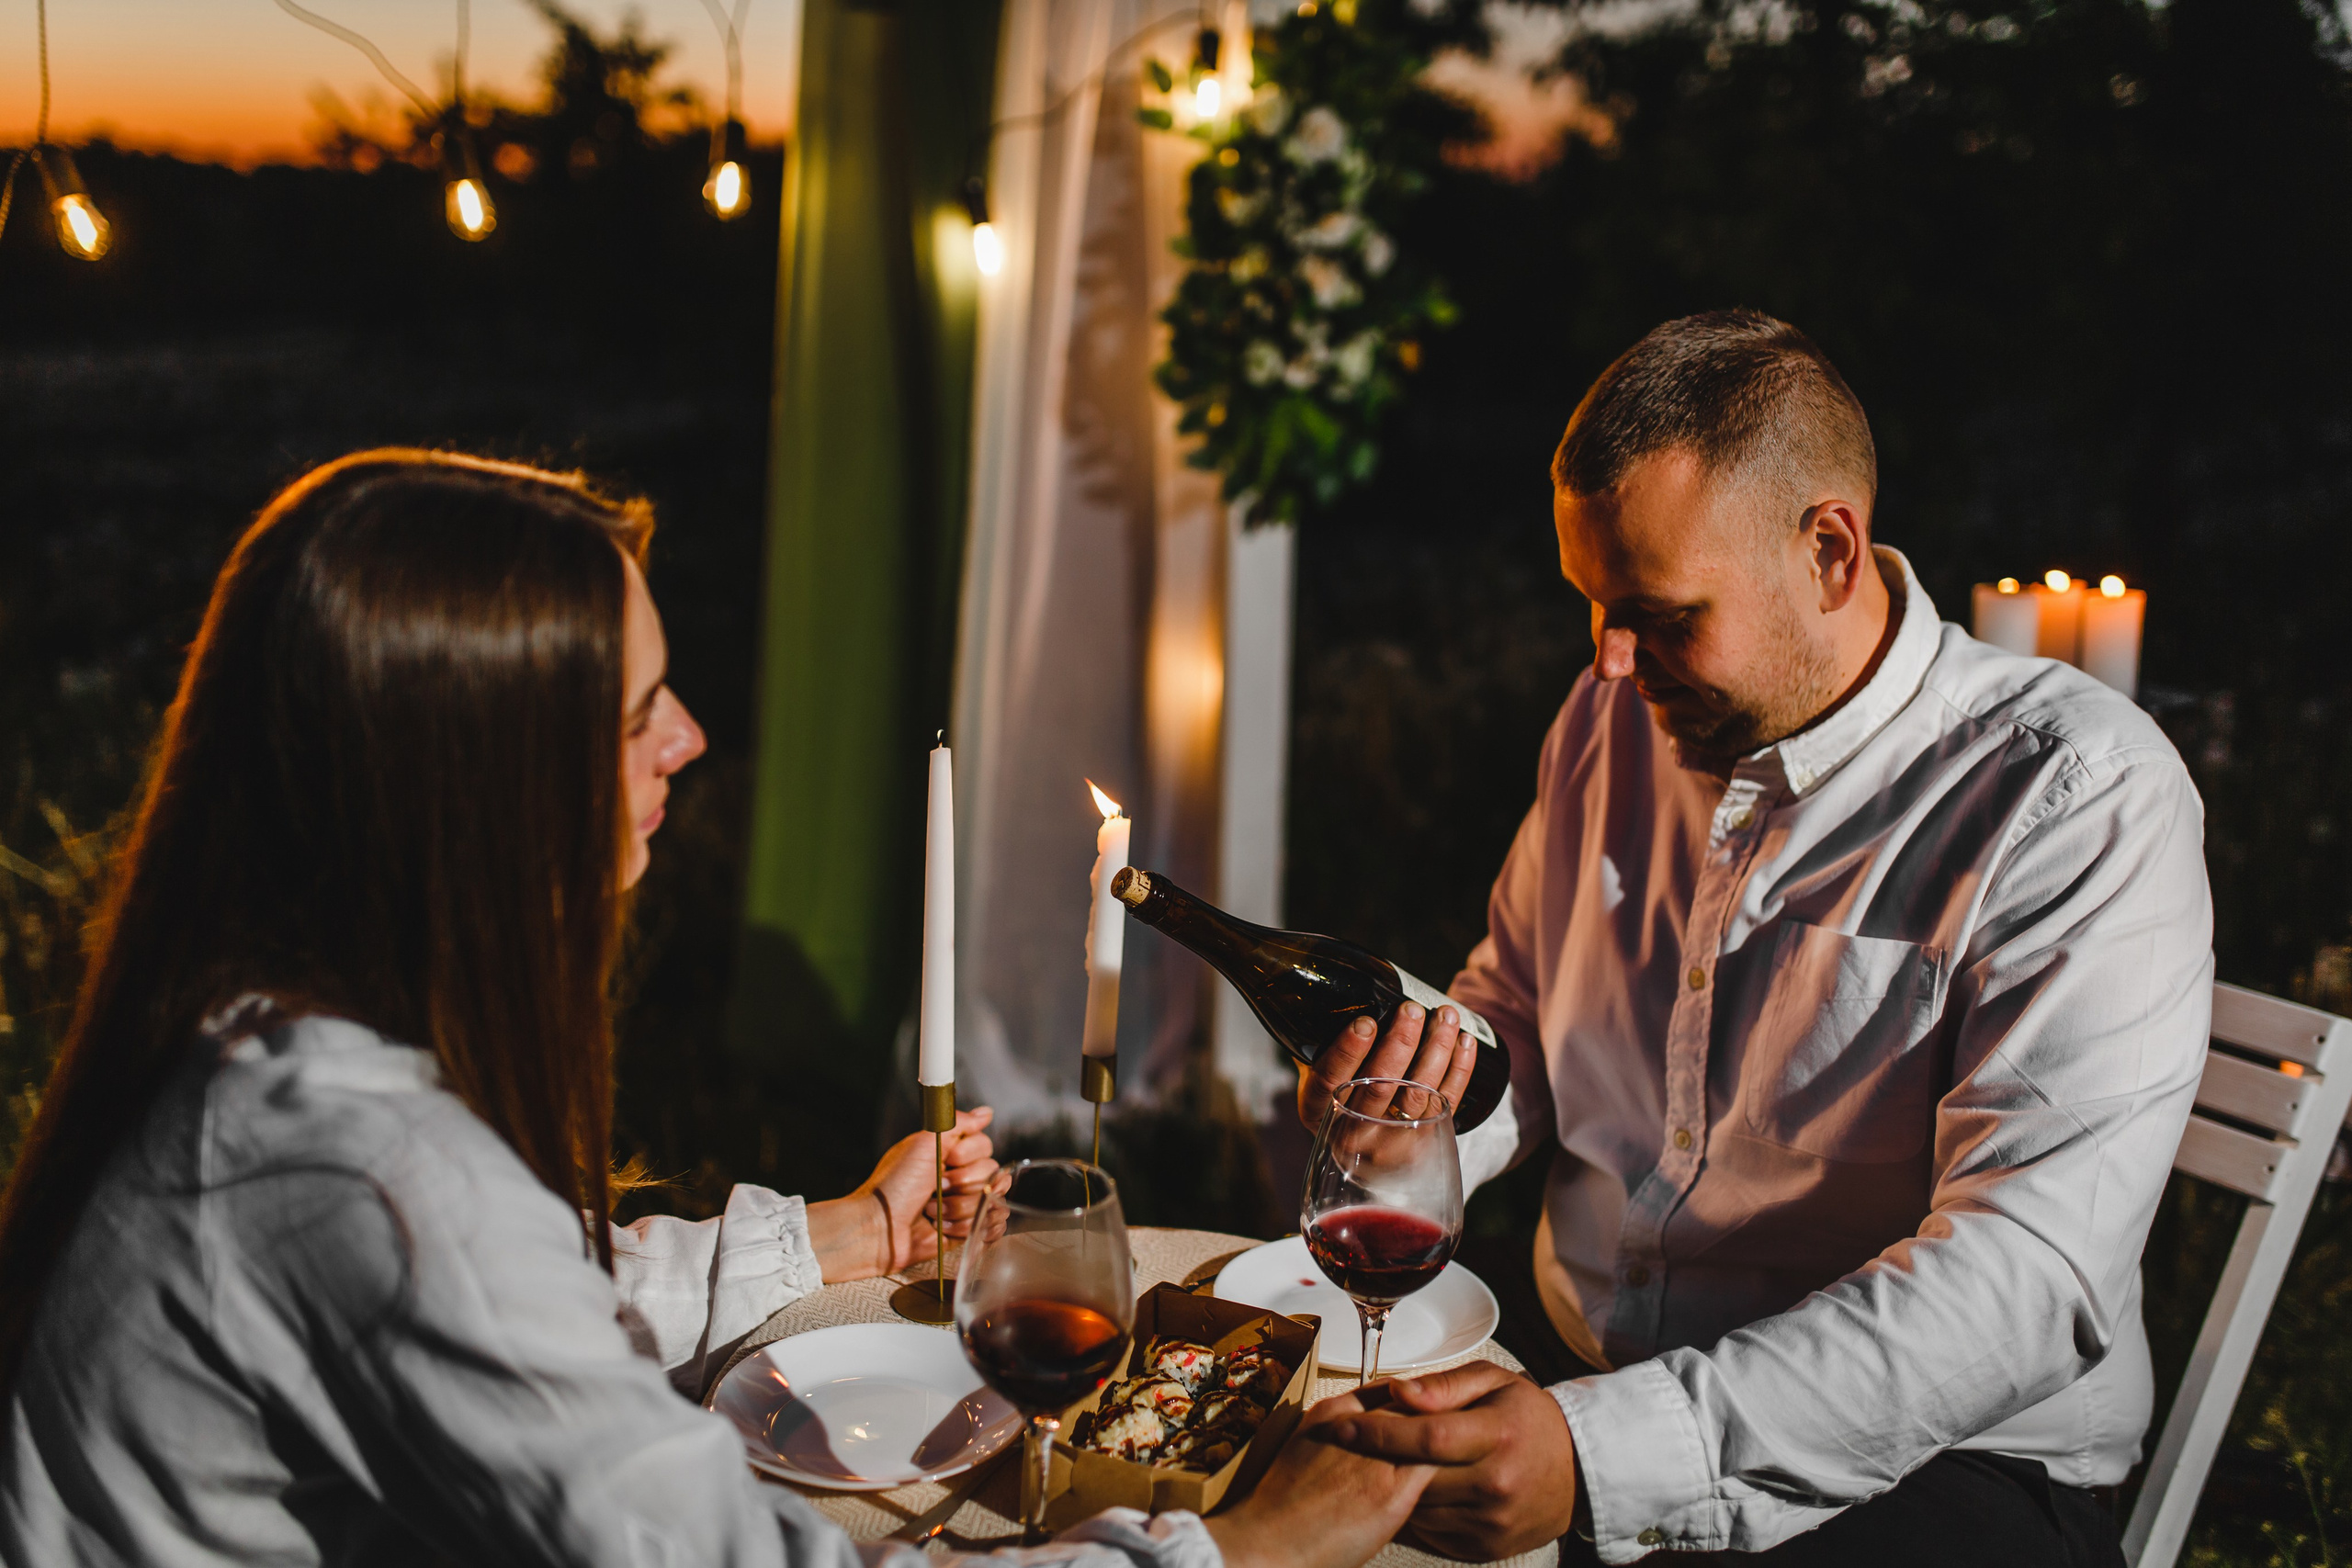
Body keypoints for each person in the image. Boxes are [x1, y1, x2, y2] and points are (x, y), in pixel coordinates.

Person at [0, 450, 1430, 1568]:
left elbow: (539, 1299)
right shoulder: (361, 1175)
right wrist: (1238, 1544)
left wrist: (842, 1236)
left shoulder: (259, 1032)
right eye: (636, 715)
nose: (688, 739)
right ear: (470, 797)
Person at [1301, 312, 2211, 1565]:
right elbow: (1513, 997)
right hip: (1572, 1382)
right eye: (1592, 607)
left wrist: (1601, 1455)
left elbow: (2023, 1279)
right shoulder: (1614, 716)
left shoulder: (2076, 793)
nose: (1613, 663)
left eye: (1662, 613)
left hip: (1940, 1468)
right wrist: (1422, 1109)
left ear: (1829, 550)